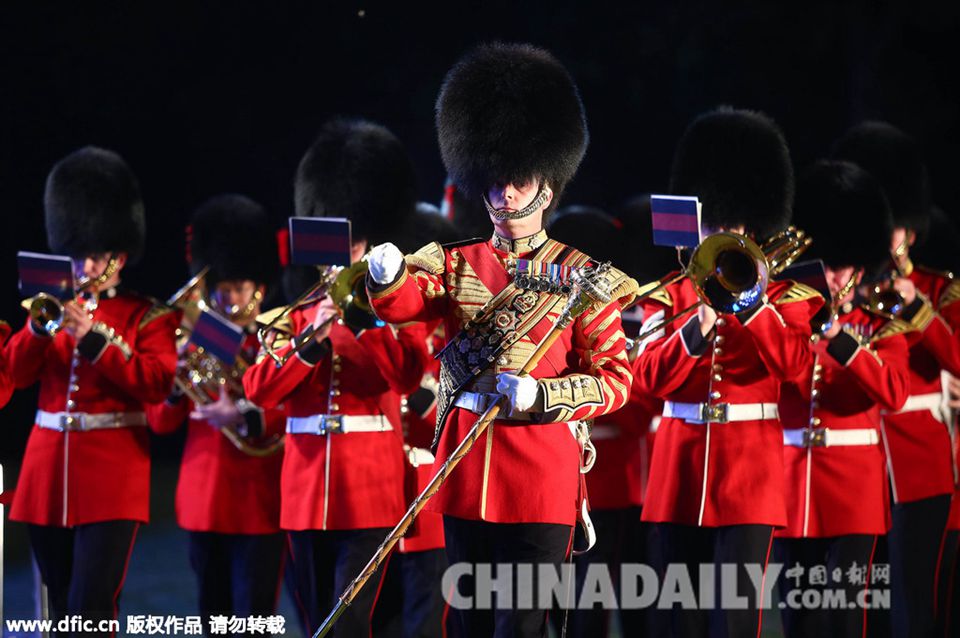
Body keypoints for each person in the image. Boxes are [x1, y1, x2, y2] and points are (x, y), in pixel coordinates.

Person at [366, 43, 639, 637]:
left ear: (547, 179)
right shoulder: (453, 261)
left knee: (518, 628)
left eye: (518, 179)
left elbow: (618, 380)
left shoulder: (584, 275)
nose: (505, 193)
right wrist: (385, 277)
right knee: (467, 627)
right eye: (494, 180)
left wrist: (543, 399)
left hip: (541, 480)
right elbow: (407, 304)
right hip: (465, 478)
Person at [632, 107, 822, 637]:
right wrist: (701, 317)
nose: (723, 234)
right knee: (676, 622)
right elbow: (646, 377)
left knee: (735, 622)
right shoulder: (670, 294)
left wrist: (751, 304)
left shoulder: (789, 297)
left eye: (732, 225)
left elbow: (796, 367)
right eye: (715, 224)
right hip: (677, 473)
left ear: (752, 227)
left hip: (749, 475)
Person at [242, 118, 428, 637]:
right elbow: (259, 389)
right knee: (314, 621)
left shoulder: (391, 313)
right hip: (304, 490)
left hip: (369, 487)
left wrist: (362, 320)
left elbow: (407, 376)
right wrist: (311, 341)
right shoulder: (296, 317)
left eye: (350, 244)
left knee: (346, 626)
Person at [6, 146, 178, 632]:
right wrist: (39, 331)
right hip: (48, 467)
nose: (85, 264)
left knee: (92, 605)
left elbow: (156, 382)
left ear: (119, 257)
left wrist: (95, 339)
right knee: (58, 604)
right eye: (79, 254)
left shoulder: (149, 315)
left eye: (97, 255)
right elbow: (17, 375)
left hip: (112, 472)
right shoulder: (49, 308)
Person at [775, 160, 913, 637]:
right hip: (795, 483)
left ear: (859, 266)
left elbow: (894, 392)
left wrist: (841, 341)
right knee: (799, 616)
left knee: (845, 615)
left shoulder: (878, 325)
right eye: (827, 266)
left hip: (853, 488)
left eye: (842, 267)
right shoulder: (789, 322)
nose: (834, 277)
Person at [834, 122, 960, 638]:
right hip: (860, 463)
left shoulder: (938, 288)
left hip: (916, 464)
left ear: (908, 228)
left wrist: (919, 309)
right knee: (864, 603)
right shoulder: (852, 291)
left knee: (913, 603)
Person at [147, 194, 286, 626]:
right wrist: (173, 387)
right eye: (223, 289)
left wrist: (243, 413)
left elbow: (286, 410)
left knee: (256, 617)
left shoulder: (275, 339)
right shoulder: (198, 339)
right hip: (205, 498)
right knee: (213, 616)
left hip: (260, 499)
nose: (229, 298)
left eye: (239, 288)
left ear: (259, 288)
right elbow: (161, 422)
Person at [546, 206, 660, 637]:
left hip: (614, 474)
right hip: (557, 467)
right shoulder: (544, 317)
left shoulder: (629, 318)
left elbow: (640, 396)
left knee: (613, 592)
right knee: (560, 593)